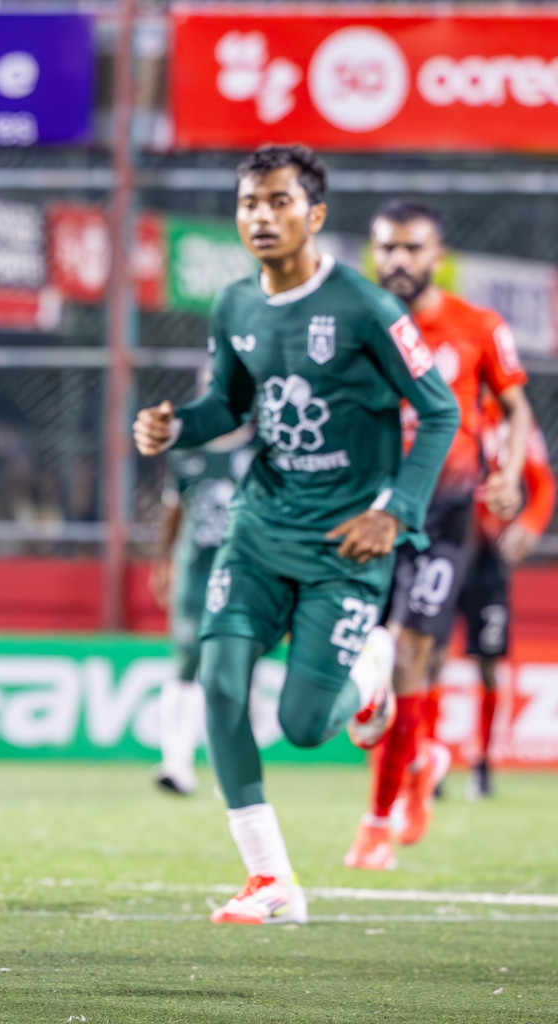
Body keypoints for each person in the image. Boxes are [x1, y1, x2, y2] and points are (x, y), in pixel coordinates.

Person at [133, 145, 457, 926]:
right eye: (250, 202)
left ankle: (371, 672)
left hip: (347, 543)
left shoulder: (367, 308)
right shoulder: (234, 305)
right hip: (259, 529)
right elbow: (228, 405)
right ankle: (270, 878)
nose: (261, 216)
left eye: (279, 202)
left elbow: (440, 409)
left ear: (315, 216)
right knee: (220, 680)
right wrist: (177, 426)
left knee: (306, 727)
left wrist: (395, 511)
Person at [344, 201, 532, 869]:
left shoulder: (478, 326)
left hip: (445, 518)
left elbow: (515, 409)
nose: (398, 260)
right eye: (386, 248)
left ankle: (377, 821)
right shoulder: (358, 326)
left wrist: (509, 474)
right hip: (369, 513)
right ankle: (421, 758)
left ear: (438, 256)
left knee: (409, 656)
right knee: (374, 662)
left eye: (412, 248)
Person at [427, 397, 554, 800]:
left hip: (487, 556)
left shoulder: (512, 420)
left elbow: (542, 484)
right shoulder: (442, 405)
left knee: (488, 662)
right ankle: (429, 763)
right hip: (442, 546)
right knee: (429, 656)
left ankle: (482, 764)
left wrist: (530, 525)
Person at [150, 421, 256, 796]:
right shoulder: (187, 452)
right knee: (186, 665)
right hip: (196, 575)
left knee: (237, 670)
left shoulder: (264, 448)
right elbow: (174, 510)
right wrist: (162, 562)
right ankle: (175, 764)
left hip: (247, 574)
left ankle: (233, 769)